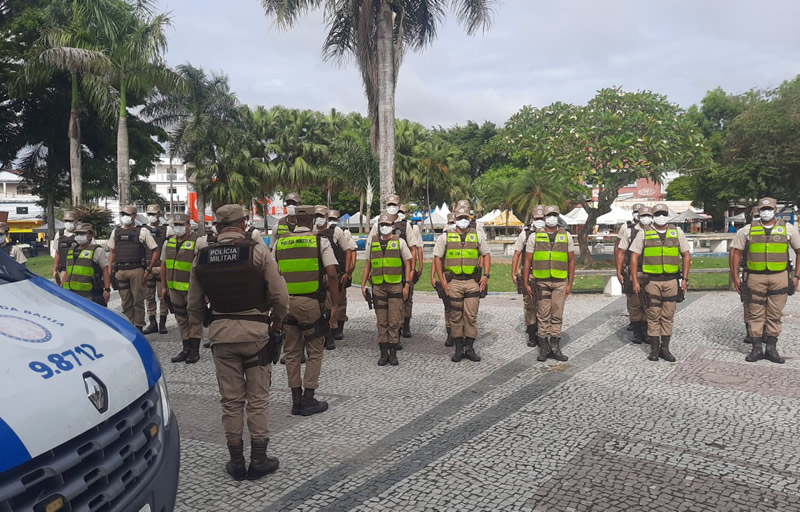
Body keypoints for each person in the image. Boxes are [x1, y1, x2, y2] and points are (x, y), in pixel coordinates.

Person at [188, 204, 288, 481]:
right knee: (257, 400)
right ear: (243, 224)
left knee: (231, 402)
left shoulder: (202, 257)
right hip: (256, 334)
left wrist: (211, 323)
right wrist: (277, 323)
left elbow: (193, 304)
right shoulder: (257, 251)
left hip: (221, 336)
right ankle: (258, 459)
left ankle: (236, 461)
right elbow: (280, 296)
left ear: (217, 227)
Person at [274, 205, 339, 416]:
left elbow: (272, 274)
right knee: (314, 351)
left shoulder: (280, 242)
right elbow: (331, 273)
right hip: (310, 304)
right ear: (312, 221)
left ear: (293, 221)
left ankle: (295, 399)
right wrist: (335, 304)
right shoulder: (320, 241)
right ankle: (308, 397)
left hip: (286, 305)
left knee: (291, 352)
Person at [730, 197, 800, 364]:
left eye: (769, 209)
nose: (766, 212)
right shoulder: (747, 230)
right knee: (755, 313)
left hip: (779, 277)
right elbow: (735, 253)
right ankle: (755, 349)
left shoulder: (788, 229)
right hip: (755, 277)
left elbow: (799, 251)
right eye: (763, 209)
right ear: (759, 211)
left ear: (775, 210)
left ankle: (771, 348)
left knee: (775, 314)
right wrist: (735, 277)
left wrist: (796, 276)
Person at [629, 204, 692, 363]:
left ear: (668, 215)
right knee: (653, 315)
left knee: (668, 315)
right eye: (658, 214)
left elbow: (686, 255)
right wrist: (635, 281)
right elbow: (634, 257)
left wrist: (684, 279)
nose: (661, 216)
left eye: (664, 214)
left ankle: (665, 349)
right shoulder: (644, 233)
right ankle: (654, 350)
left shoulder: (677, 232)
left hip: (671, 281)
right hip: (652, 281)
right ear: (653, 215)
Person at [433, 205, 491, 363]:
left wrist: (485, 276)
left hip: (472, 281)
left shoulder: (477, 236)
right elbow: (437, 258)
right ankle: (458, 349)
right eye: (460, 218)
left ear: (470, 219)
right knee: (455, 316)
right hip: (454, 282)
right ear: (455, 219)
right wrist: (442, 280)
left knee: (471, 316)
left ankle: (470, 348)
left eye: (466, 218)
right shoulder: (445, 237)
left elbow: (486, 255)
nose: (463, 221)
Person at [523, 205, 575, 362]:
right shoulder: (534, 237)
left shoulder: (566, 236)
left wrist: (570, 283)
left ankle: (555, 346)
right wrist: (525, 282)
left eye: (555, 215)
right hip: (542, 280)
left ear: (558, 216)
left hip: (560, 281)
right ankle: (544, 347)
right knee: (543, 314)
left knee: (557, 313)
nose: (552, 218)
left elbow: (571, 261)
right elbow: (527, 261)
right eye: (549, 215)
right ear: (544, 217)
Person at [366, 195, 420, 342]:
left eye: (394, 204)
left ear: (399, 205)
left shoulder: (405, 225)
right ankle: (391, 338)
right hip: (382, 272)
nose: (392, 207)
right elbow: (370, 247)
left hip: (402, 270)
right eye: (389, 204)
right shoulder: (378, 224)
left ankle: (403, 327)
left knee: (404, 300)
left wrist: (412, 269)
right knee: (385, 306)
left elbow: (413, 248)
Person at [362, 212, 413, 366]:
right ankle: (383, 353)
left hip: (395, 286)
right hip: (378, 287)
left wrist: (407, 284)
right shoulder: (373, 242)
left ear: (393, 227)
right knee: (381, 321)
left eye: (387, 225)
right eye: (381, 225)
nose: (384, 227)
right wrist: (363, 284)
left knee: (395, 321)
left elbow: (408, 263)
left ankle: (393, 353)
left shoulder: (400, 242)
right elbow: (367, 265)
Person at [108, 205, 159, 331]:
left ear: (134, 216)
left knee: (138, 301)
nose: (125, 217)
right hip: (120, 270)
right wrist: (110, 270)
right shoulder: (116, 231)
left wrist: (148, 270)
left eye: (128, 214)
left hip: (137, 270)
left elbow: (155, 250)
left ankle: (139, 326)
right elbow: (112, 252)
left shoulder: (142, 231)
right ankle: (129, 326)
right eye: (123, 214)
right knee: (125, 301)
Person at [161, 213, 203, 364]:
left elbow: (204, 268)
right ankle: (185, 348)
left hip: (193, 290)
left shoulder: (198, 242)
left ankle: (194, 350)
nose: (177, 228)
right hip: (174, 289)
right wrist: (164, 287)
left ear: (188, 226)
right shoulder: (169, 243)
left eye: (181, 225)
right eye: (175, 225)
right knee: (181, 319)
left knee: (194, 319)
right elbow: (163, 265)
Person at [320, 209, 357, 346]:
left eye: (334, 218)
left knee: (338, 303)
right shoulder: (314, 231)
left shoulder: (340, 232)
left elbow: (350, 250)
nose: (332, 221)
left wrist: (348, 271)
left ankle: (335, 330)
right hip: (321, 274)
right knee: (323, 304)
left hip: (337, 273)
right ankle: (325, 331)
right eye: (330, 218)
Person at [512, 205, 545, 348]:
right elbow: (517, 253)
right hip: (529, 274)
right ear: (532, 219)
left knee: (544, 305)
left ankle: (543, 334)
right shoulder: (525, 234)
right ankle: (532, 333)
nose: (539, 221)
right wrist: (514, 272)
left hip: (545, 274)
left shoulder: (551, 233)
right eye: (536, 218)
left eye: (541, 218)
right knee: (530, 305)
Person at [615, 203, 646, 344]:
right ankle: (636, 329)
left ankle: (645, 329)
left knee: (648, 302)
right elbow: (619, 249)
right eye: (636, 212)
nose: (638, 214)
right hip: (631, 268)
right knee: (633, 300)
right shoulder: (627, 228)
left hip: (650, 270)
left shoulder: (652, 229)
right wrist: (619, 269)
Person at [62, 223, 111, 306]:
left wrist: (107, 290)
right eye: (77, 234)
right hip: (71, 292)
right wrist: (61, 287)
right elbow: (68, 271)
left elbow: (105, 271)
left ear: (90, 236)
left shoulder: (98, 251)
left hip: (89, 294)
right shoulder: (71, 250)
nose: (78, 236)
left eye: (82, 234)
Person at [143, 204, 172, 335]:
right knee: (149, 297)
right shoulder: (142, 230)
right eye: (149, 214)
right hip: (147, 268)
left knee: (163, 296)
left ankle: (162, 323)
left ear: (159, 214)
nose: (151, 216)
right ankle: (152, 322)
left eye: (153, 214)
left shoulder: (167, 230)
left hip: (161, 268)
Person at [734, 206, 761, 344]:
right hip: (749, 273)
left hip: (771, 274)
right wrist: (735, 276)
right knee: (748, 304)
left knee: (769, 305)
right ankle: (750, 332)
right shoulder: (745, 232)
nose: (759, 217)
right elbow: (735, 254)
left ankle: (766, 332)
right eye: (756, 215)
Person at [398, 204, 423, 338]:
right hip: (395, 267)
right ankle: (398, 325)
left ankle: (406, 324)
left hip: (408, 267)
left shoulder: (412, 227)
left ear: (407, 214)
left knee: (408, 297)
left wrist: (419, 267)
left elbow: (418, 248)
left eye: (403, 212)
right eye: (399, 211)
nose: (401, 213)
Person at [431, 213, 457, 347]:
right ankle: (450, 334)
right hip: (446, 275)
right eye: (451, 222)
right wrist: (433, 276)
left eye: (455, 221)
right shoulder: (444, 237)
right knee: (448, 307)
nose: (453, 224)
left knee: (461, 308)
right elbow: (436, 259)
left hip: (462, 277)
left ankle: (460, 335)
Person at [52, 210, 77, 283]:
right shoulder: (59, 235)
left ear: (76, 221)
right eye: (66, 220)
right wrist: (55, 269)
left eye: (70, 221)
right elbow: (57, 253)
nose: (68, 223)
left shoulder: (82, 234)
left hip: (78, 272)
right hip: (63, 270)